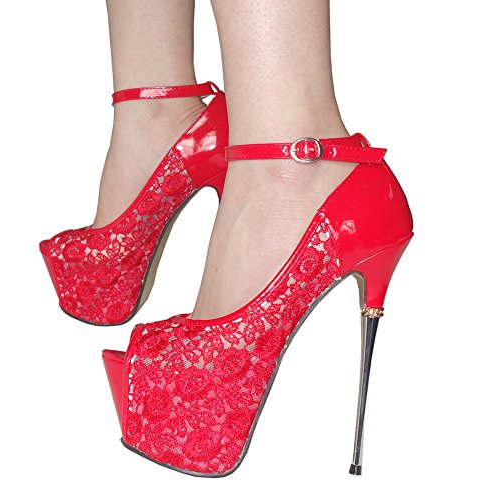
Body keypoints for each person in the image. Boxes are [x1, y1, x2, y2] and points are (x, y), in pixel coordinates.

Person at [41, 0, 413, 476]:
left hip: (301, 172)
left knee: (277, 138)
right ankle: (157, 111)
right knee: (152, 92)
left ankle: (288, 165)